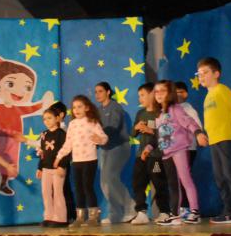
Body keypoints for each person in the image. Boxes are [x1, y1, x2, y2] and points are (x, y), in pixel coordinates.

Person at [0, 56, 55, 196]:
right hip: (0, 138)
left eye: (27, 87)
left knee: (10, 163)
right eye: (11, 84)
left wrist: (43, 104)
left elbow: (31, 108)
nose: (20, 92)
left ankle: (3, 183)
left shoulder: (18, 109)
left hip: (14, 140)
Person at [196, 57, 231, 224]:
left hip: (227, 137)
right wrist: (207, 135)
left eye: (205, 72)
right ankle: (229, 210)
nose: (201, 76)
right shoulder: (208, 96)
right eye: (199, 74)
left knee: (230, 173)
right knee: (219, 177)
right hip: (214, 141)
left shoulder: (222, 90)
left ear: (216, 74)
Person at [151, 80, 203, 225]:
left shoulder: (175, 108)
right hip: (166, 153)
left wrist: (198, 133)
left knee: (185, 179)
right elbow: (160, 134)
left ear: (170, 93)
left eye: (163, 91)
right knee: (173, 183)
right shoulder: (160, 114)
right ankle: (175, 214)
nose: (159, 94)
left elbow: (189, 122)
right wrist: (150, 146)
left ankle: (195, 211)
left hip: (179, 149)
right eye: (156, 91)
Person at [55, 95, 108, 227]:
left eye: (79, 107)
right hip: (76, 162)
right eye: (74, 107)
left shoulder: (92, 122)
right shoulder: (72, 124)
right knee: (78, 188)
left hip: (90, 160)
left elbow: (104, 137)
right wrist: (59, 157)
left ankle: (93, 217)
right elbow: (68, 144)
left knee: (87, 187)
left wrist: (100, 140)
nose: (76, 110)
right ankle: (80, 217)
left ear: (87, 108)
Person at [127, 83, 170, 225]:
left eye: (142, 95)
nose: (140, 98)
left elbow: (166, 134)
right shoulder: (141, 113)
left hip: (156, 155)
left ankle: (164, 211)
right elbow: (132, 134)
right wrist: (136, 127)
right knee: (138, 182)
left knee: (159, 182)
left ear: (152, 94)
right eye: (139, 96)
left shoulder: (161, 112)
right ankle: (141, 212)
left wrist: (151, 130)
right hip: (141, 155)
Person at [94, 82, 133, 224]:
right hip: (105, 149)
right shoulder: (98, 111)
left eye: (100, 91)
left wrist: (101, 136)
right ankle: (115, 214)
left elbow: (113, 127)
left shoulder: (116, 107)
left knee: (110, 178)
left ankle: (131, 208)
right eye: (96, 92)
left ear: (108, 92)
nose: (97, 94)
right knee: (104, 182)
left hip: (119, 147)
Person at [34, 103, 69, 227]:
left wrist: (62, 166)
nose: (47, 121)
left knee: (58, 193)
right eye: (44, 119)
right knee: (46, 192)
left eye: (49, 118)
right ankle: (48, 217)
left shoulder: (62, 134)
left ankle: (60, 218)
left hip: (57, 168)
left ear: (57, 118)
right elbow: (43, 152)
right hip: (46, 169)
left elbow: (66, 151)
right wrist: (40, 168)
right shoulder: (44, 134)